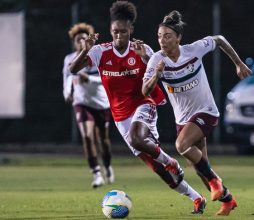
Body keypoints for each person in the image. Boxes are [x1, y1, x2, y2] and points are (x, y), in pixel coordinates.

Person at [69, 1, 206, 214]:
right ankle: (196, 198)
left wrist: (146, 58)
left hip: (144, 105)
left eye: (123, 31)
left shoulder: (142, 50)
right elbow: (73, 69)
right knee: (158, 170)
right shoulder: (99, 52)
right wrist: (84, 51)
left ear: (131, 30)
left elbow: (159, 74)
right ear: (110, 31)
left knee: (137, 138)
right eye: (115, 32)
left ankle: (170, 160)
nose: (119, 36)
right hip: (120, 117)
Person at [142, 10, 252, 216]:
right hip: (183, 119)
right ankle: (228, 200)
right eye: (159, 36)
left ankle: (216, 182)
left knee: (181, 145)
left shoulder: (193, 50)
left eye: (167, 36)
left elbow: (219, 40)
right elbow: (145, 91)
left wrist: (238, 63)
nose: (162, 40)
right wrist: (156, 75)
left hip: (206, 111)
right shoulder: (156, 60)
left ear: (178, 38)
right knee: (200, 168)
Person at [63, 23, 114, 188]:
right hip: (82, 103)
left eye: (84, 39)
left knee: (103, 140)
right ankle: (96, 173)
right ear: (74, 42)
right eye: (78, 40)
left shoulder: (96, 57)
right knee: (86, 136)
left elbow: (106, 79)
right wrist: (67, 92)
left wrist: (89, 79)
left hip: (102, 103)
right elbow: (67, 77)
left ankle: (107, 166)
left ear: (88, 41)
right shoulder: (70, 59)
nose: (80, 42)